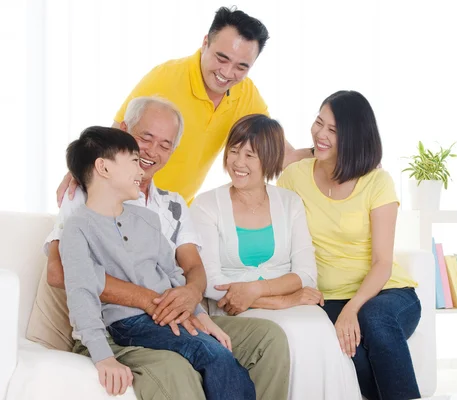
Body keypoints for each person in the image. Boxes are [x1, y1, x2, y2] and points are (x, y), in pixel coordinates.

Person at [45, 96, 290, 400]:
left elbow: (183, 270)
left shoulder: (159, 212)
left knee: (264, 340)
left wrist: (195, 309)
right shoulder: (79, 205)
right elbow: (64, 276)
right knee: (206, 354)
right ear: (123, 134)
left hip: (168, 315)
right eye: (143, 139)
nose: (149, 153)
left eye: (165, 144)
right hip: (123, 324)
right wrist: (150, 301)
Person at [56, 6, 311, 207]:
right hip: (128, 202)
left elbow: (281, 155)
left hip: (174, 214)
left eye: (241, 66)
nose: (227, 72)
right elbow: (116, 136)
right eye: (222, 58)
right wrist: (82, 169)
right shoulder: (166, 78)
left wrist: (331, 147)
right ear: (205, 43)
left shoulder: (246, 94)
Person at [190, 114, 362, 400]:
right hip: (236, 312)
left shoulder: (289, 202)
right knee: (289, 334)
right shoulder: (207, 205)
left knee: (319, 328)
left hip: (277, 302)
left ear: (268, 160)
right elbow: (212, 283)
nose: (238, 162)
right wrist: (286, 300)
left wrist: (259, 290)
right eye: (233, 151)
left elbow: (306, 275)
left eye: (250, 155)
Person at [278, 91, 422, 400]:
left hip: (387, 293)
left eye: (333, 130)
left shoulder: (377, 182)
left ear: (354, 138)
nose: (321, 134)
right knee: (353, 358)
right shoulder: (294, 177)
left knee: (374, 319)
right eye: (319, 123)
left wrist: (353, 308)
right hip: (327, 299)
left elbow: (383, 262)